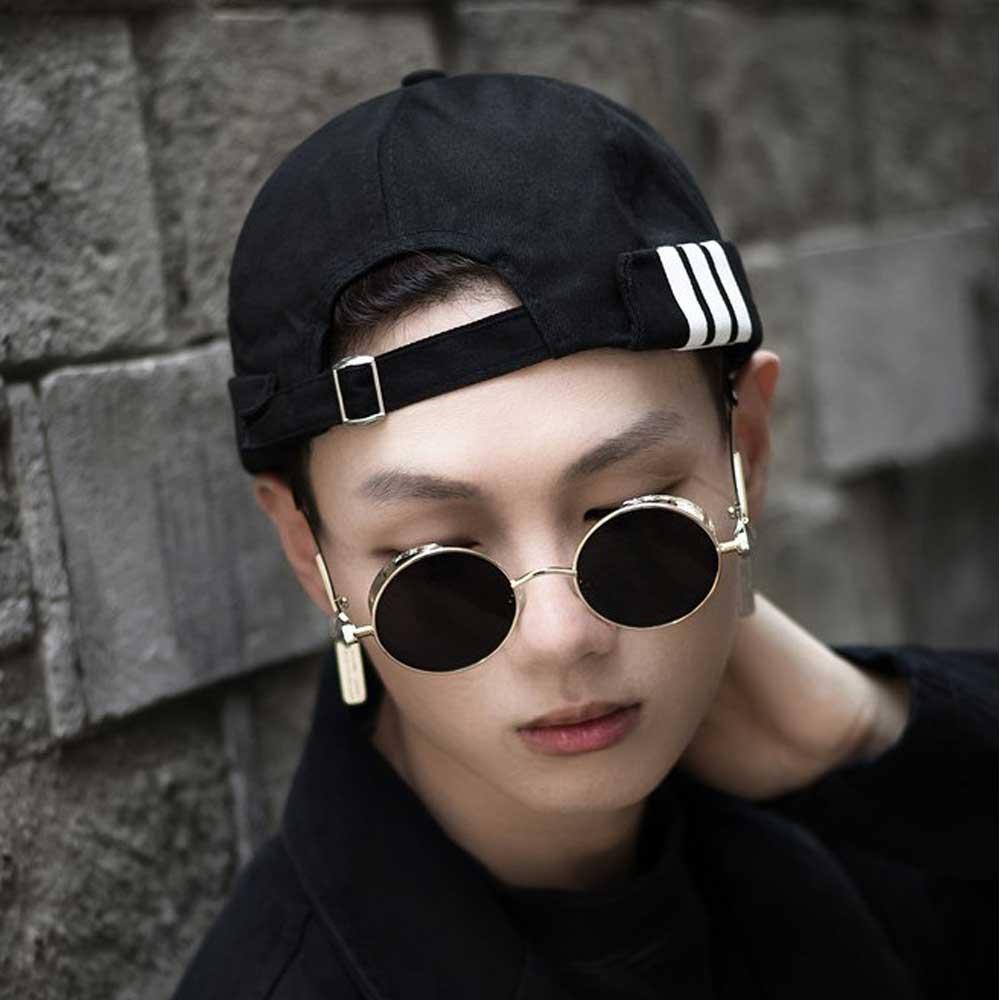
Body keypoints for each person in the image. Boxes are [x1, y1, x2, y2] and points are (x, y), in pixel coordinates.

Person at [171, 70, 996, 999]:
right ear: (309, 552)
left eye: (630, 519)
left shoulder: (886, 841)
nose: (562, 637)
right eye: (439, 566)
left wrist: (868, 726)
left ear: (748, 452)